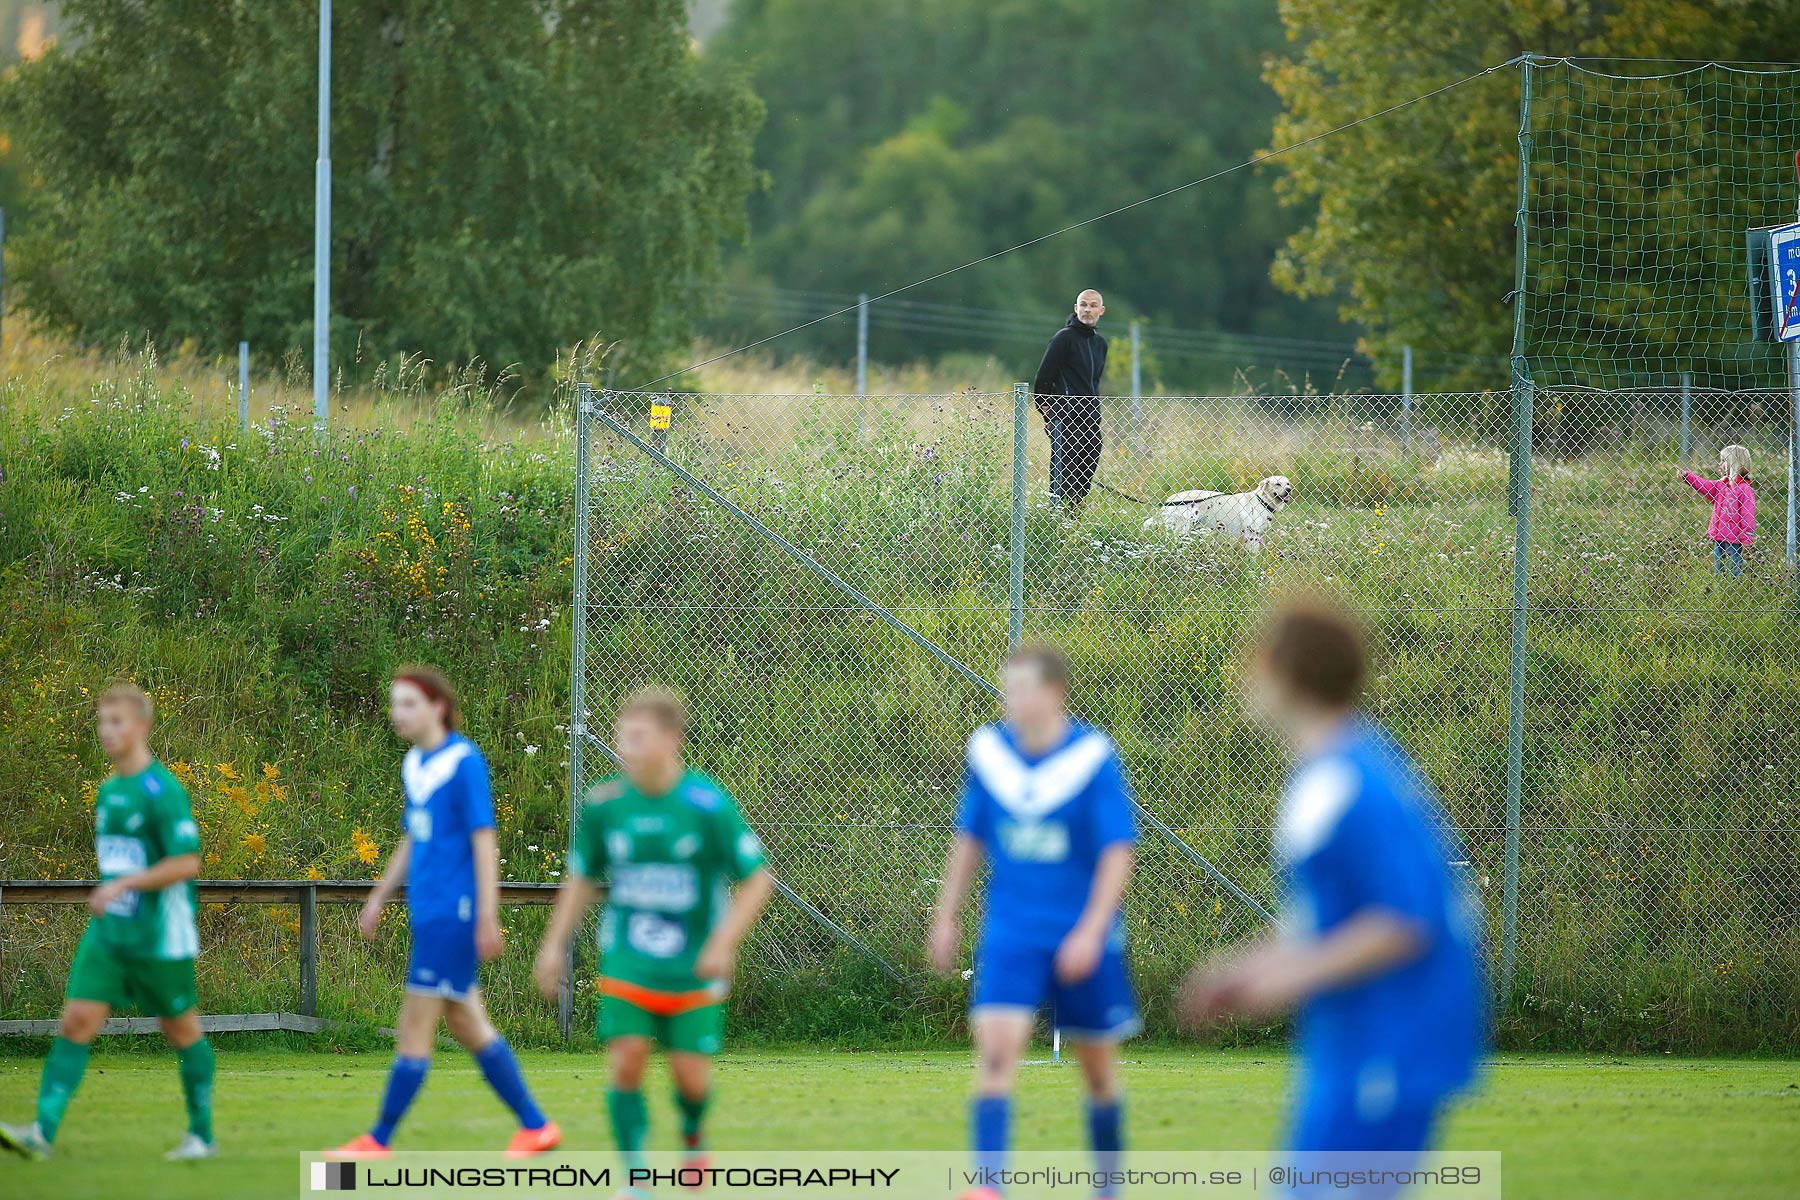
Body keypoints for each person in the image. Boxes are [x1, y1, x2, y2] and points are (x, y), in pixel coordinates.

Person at [1181, 603, 1483, 1195]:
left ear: (1284, 672)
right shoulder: (1334, 770)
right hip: (1354, 1038)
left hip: (1391, 1036)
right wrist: (1251, 965)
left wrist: (1288, 980)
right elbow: (1330, 920)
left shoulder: (1351, 778)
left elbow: (1403, 921)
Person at [535, 688, 773, 1200]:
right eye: (622, 735)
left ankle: (692, 1136)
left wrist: (724, 941)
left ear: (671, 740)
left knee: (690, 1080)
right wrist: (553, 945)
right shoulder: (605, 806)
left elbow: (758, 879)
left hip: (693, 964)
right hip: (629, 957)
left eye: (637, 736)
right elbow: (579, 880)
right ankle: (635, 1177)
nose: (624, 746)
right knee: (626, 1059)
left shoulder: (707, 805)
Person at [929, 645, 1138, 1200]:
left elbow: (1118, 850)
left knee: (1097, 1077)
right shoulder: (989, 753)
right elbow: (968, 838)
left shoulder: (1093, 758)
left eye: (1020, 689)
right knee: (996, 1057)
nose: (1009, 699)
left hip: (1079, 936)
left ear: (1053, 693)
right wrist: (946, 915)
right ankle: (988, 1188)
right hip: (1011, 933)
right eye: (1006, 689)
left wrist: (1092, 931)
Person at [327, 667, 559, 1160]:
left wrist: (485, 914)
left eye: (409, 703)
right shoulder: (415, 764)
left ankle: (379, 1139)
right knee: (468, 1024)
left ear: (438, 707)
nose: (398, 714)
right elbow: (415, 835)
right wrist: (379, 895)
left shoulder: (463, 761)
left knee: (416, 1024)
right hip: (427, 910)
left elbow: (483, 838)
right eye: (394, 704)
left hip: (454, 914)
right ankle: (536, 1126)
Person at [0, 682, 216, 1163]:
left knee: (181, 1031)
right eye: (101, 721)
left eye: (115, 721)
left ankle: (201, 1134)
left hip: (160, 937)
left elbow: (186, 863)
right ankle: (41, 1133)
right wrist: (114, 892)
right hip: (110, 935)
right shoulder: (109, 791)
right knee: (76, 1021)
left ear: (141, 726)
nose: (106, 730)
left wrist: (124, 885)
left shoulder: (163, 791)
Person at [1032, 289, 1109, 511]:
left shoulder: (1100, 344)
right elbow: (1043, 380)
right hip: (1066, 420)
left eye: (1093, 305)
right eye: (1083, 304)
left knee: (1084, 480)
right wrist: (1049, 414)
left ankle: (1074, 522)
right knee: (1063, 481)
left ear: (1101, 310)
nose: (1087, 309)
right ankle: (1056, 522)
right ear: (1076, 308)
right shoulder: (1063, 338)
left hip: (1091, 421)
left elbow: (1093, 382)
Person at [1682, 444, 1755, 576]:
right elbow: (1704, 485)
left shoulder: (1744, 489)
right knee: (1718, 568)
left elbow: (1747, 515)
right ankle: (1719, 587)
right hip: (1719, 536)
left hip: (1735, 539)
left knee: (1734, 568)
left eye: (1723, 461)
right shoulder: (1721, 485)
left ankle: (1735, 588)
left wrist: (1747, 537)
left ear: (1735, 464)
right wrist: (1689, 477)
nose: (1719, 464)